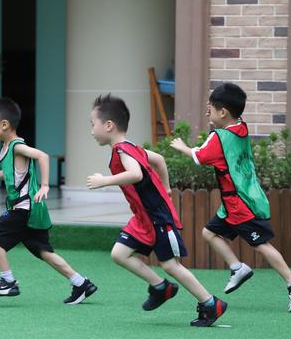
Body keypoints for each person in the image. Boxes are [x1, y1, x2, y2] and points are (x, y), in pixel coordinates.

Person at [87, 94, 226, 326]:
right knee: (119, 254)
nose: (92, 131)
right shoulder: (131, 147)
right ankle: (160, 287)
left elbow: (136, 174)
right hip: (143, 218)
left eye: (93, 125)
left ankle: (211, 303)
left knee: (171, 265)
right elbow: (159, 160)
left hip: (157, 217)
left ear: (108, 125)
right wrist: (166, 188)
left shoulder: (123, 150)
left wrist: (104, 181)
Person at [171, 82, 291, 312]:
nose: (209, 112)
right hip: (236, 201)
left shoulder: (220, 138)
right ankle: (238, 268)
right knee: (209, 233)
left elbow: (201, 156)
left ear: (223, 112)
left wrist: (183, 146)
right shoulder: (241, 127)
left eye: (212, 109)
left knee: (261, 245)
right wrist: (215, 110)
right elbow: (221, 132)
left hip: (240, 203)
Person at [0, 97, 98, 304]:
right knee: (44, 252)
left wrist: (45, 185)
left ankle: (8, 282)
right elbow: (10, 173)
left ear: (4, 124)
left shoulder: (16, 146)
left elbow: (42, 156)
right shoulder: (7, 148)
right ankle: (81, 283)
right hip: (31, 210)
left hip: (24, 209)